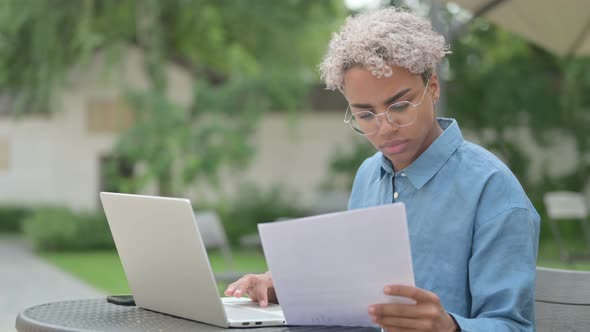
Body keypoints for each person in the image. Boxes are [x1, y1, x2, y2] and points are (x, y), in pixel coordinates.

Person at [225, 7, 540, 332]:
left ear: (433, 86)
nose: (384, 128)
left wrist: (451, 327)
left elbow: (514, 326)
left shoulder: (492, 190)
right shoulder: (368, 175)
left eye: (400, 106)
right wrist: (286, 288)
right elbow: (355, 291)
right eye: (365, 114)